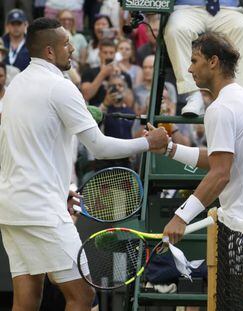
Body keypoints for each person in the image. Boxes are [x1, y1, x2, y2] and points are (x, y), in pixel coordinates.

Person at [0, 17, 168, 310]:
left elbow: (17, 150)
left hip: (11, 207)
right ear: (50, 52)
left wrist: (60, 187)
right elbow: (99, 146)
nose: (73, 49)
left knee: (26, 299)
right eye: (66, 44)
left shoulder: (15, 86)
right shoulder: (61, 88)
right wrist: (148, 143)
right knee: (83, 296)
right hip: (41, 210)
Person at [157, 32, 243, 244]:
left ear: (213, 61)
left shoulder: (220, 109)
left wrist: (181, 217)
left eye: (194, 61)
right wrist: (169, 148)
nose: (189, 69)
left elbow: (220, 173)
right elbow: (223, 159)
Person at [164, 1, 243, 117]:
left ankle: (235, 97)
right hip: (187, 8)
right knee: (175, 30)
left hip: (227, 8)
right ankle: (194, 96)